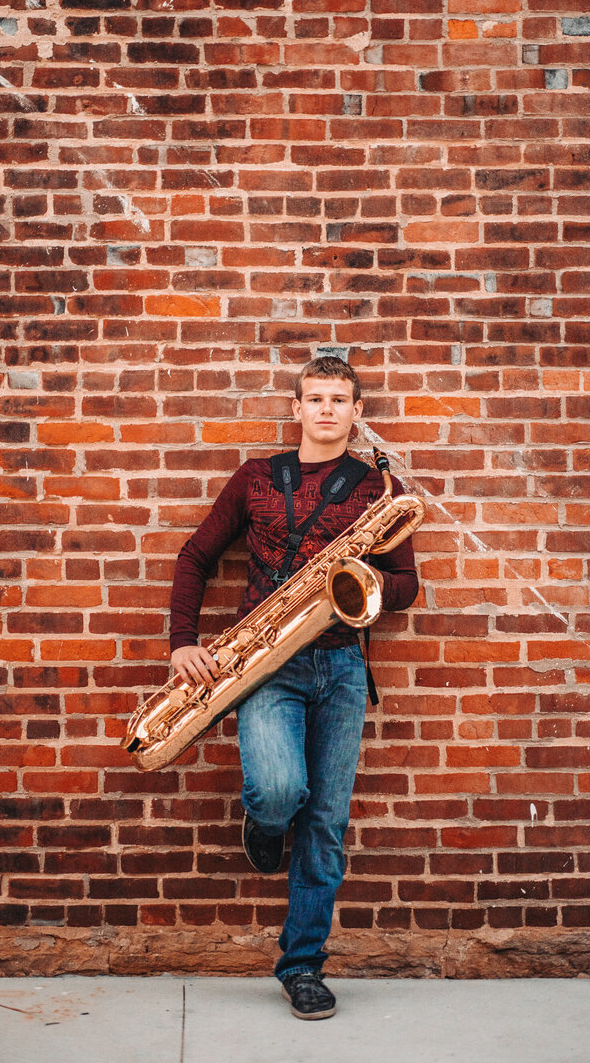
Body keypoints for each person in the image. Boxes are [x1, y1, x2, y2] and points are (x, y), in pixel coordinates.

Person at [169, 356, 419, 1020]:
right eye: (316, 398)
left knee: (327, 825)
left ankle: (302, 965)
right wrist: (183, 642)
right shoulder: (256, 478)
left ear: (357, 411)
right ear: (297, 407)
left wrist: (366, 588)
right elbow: (195, 556)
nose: (328, 409)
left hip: (339, 667)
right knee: (281, 791)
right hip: (263, 665)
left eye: (340, 399)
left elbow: (405, 585)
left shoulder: (377, 491)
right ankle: (265, 818)